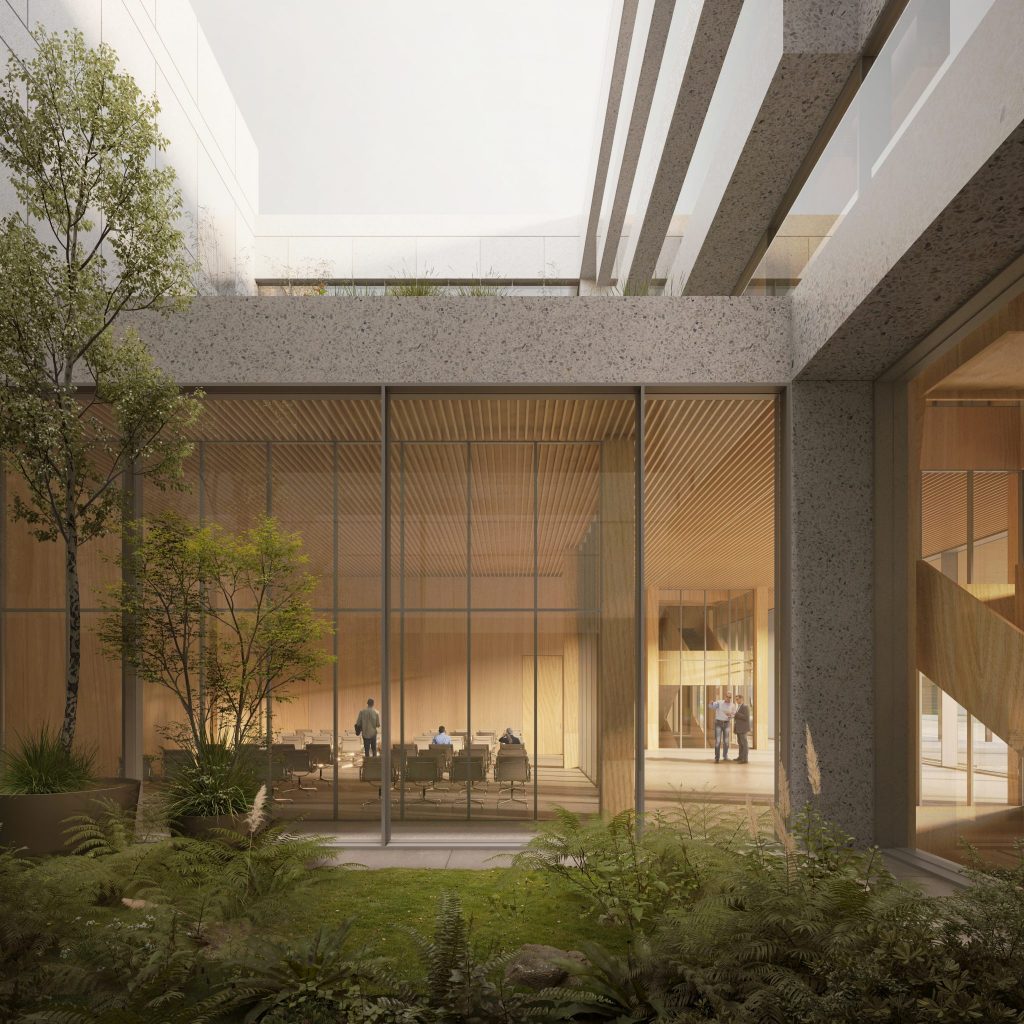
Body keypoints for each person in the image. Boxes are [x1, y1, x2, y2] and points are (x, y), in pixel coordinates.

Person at [708, 693, 737, 763]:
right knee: (717, 741)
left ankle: (725, 756)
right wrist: (711, 703)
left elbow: (734, 714)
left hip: (726, 724)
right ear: (725, 696)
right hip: (718, 723)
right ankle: (717, 757)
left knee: (726, 742)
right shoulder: (719, 702)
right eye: (727, 697)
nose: (728, 698)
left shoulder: (733, 705)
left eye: (730, 697)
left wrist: (731, 716)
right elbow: (711, 707)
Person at [732, 695, 750, 763]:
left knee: (744, 744)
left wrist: (736, 714)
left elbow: (746, 717)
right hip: (738, 728)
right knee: (740, 743)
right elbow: (738, 716)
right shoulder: (738, 707)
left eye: (738, 699)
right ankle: (740, 757)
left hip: (743, 728)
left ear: (741, 699)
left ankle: (745, 759)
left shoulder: (745, 706)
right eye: (736, 700)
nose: (737, 701)